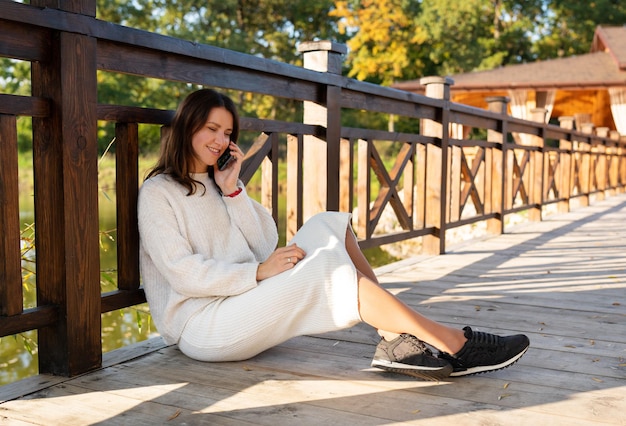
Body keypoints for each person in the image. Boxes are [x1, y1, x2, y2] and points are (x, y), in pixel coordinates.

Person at [138, 88, 529, 381]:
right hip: (202, 326)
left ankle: (393, 336)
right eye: (212, 129)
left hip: (242, 299)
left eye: (227, 132)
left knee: (327, 224)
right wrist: (256, 273)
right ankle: (453, 343)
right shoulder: (158, 193)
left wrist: (233, 190)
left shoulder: (219, 182)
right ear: (188, 125)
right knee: (325, 269)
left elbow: (261, 245)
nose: (221, 141)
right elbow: (181, 273)